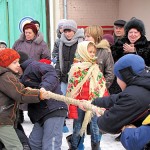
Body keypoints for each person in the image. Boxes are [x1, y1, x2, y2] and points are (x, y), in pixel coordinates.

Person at [91, 54, 150, 147]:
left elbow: (108, 124)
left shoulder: (133, 97)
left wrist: (99, 115)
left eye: (117, 77)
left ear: (125, 76)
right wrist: (94, 102)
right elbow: (118, 98)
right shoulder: (142, 86)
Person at [0, 48, 50, 150]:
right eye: (14, 62)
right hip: (3, 120)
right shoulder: (6, 76)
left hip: (4, 119)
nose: (18, 65)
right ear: (6, 63)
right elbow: (20, 93)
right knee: (16, 147)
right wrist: (39, 94)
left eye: (18, 62)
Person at [19, 51, 68, 150]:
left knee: (50, 146)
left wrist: (44, 88)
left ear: (20, 63)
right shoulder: (21, 76)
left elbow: (50, 72)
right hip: (40, 114)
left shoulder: (33, 66)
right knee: (34, 145)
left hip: (53, 109)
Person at [66, 41, 109, 150]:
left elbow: (101, 85)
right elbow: (72, 90)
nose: (92, 54)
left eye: (94, 52)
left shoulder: (96, 68)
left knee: (95, 127)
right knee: (78, 127)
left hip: (94, 103)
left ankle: (96, 147)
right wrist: (73, 108)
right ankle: (74, 146)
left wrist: (104, 102)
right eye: (90, 52)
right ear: (82, 52)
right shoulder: (76, 69)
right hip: (79, 104)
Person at [55, 19, 84, 95]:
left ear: (74, 30)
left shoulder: (81, 42)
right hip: (64, 77)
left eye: (69, 31)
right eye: (65, 31)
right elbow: (59, 60)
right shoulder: (61, 42)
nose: (67, 34)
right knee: (62, 98)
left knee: (75, 100)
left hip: (77, 78)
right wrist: (57, 75)